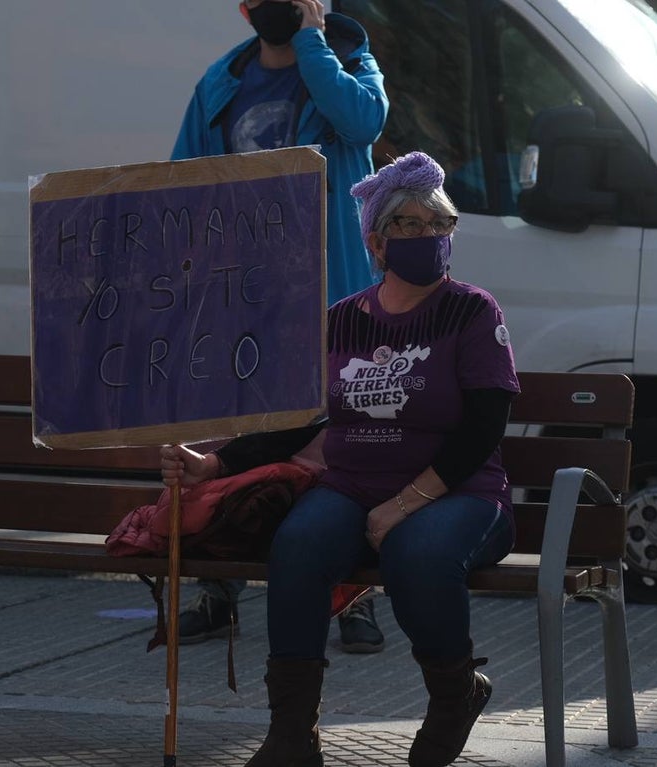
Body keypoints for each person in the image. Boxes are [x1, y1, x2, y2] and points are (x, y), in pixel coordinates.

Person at [161, 151, 519, 767]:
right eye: (409, 224)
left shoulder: (471, 311)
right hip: (351, 487)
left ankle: (455, 696)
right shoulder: (343, 320)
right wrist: (214, 465)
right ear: (377, 243)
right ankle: (292, 735)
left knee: (419, 551)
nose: (427, 235)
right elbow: (298, 420)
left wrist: (405, 505)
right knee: (297, 547)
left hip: (457, 494)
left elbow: (485, 427)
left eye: (439, 224)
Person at [169, 0, 390, 651]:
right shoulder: (219, 86)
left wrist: (314, 42)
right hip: (250, 304)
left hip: (339, 301)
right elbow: (184, 189)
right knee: (237, 444)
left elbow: (362, 119)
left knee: (344, 450)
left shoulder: (349, 61)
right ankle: (218, 588)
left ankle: (353, 594)